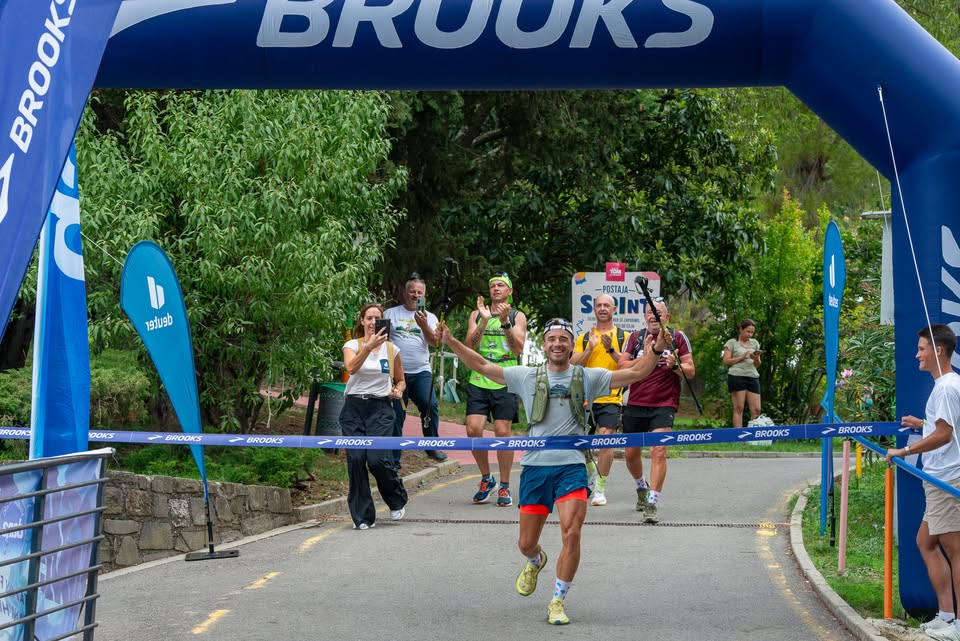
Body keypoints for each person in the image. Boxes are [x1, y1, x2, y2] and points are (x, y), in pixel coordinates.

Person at [439, 317, 667, 625]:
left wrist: (656, 349)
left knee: (572, 533)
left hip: (572, 467)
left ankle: (557, 601)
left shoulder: (587, 376)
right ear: (544, 345)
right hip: (535, 468)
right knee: (525, 543)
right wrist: (451, 341)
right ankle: (536, 559)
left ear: (572, 345)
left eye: (563, 339)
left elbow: (636, 373)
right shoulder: (527, 376)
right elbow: (482, 365)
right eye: (552, 339)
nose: (557, 343)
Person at [885, 324, 960, 641]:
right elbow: (945, 426)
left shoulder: (946, 387)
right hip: (940, 479)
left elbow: (945, 435)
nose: (917, 354)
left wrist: (904, 451)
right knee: (925, 542)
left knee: (955, 551)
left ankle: (958, 627)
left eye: (921, 348)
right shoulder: (948, 384)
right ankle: (946, 616)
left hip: (947, 478)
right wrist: (923, 423)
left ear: (938, 350)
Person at [617, 298, 695, 522]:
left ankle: (652, 502)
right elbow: (621, 365)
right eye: (650, 312)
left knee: (658, 450)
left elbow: (690, 370)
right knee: (630, 454)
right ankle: (641, 487)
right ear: (645, 316)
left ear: (666, 317)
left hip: (663, 404)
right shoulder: (635, 338)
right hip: (635, 403)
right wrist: (643, 358)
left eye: (658, 313)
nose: (654, 316)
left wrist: (675, 365)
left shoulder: (677, 338)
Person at [339, 303, 409, 530]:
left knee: (377, 460)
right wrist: (368, 347)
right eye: (368, 318)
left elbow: (401, 380)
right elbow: (351, 368)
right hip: (354, 409)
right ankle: (362, 517)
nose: (372, 323)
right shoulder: (353, 345)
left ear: (383, 322)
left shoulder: (391, 349)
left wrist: (398, 390)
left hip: (380, 409)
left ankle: (396, 498)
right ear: (362, 321)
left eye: (377, 319)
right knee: (356, 459)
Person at [463, 272, 528, 507]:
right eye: (493, 286)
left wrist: (505, 322)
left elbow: (517, 349)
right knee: (473, 429)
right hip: (479, 377)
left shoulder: (517, 316)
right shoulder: (476, 314)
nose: (496, 289)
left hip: (505, 377)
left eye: (501, 285)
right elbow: (469, 347)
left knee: (502, 432)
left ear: (509, 291)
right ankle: (486, 478)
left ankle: (505, 485)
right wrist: (483, 320)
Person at [570, 294, 630, 506]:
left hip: (611, 398)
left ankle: (600, 489)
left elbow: (629, 366)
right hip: (586, 399)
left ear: (614, 309)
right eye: (599, 305)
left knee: (606, 441)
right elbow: (572, 365)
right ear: (594, 309)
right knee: (581, 445)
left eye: (607, 305)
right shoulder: (584, 338)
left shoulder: (624, 337)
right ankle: (591, 471)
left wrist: (611, 350)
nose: (603, 308)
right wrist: (589, 349)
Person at [385, 275, 448, 463]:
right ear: (405, 293)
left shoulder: (431, 317)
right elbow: (382, 340)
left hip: (421, 371)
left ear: (424, 296)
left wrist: (423, 325)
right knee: (397, 413)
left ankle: (432, 447)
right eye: (412, 291)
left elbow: (435, 343)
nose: (415, 295)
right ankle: (394, 459)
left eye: (420, 292)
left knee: (430, 405)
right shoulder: (390, 314)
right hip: (397, 374)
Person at [723, 319, 763, 428]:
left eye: (752, 332)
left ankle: (752, 434)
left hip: (752, 376)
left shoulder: (755, 343)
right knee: (739, 408)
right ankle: (739, 435)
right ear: (741, 329)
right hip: (737, 376)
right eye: (748, 331)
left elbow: (757, 364)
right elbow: (726, 361)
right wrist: (742, 356)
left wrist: (756, 358)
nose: (750, 334)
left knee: (756, 410)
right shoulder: (731, 343)